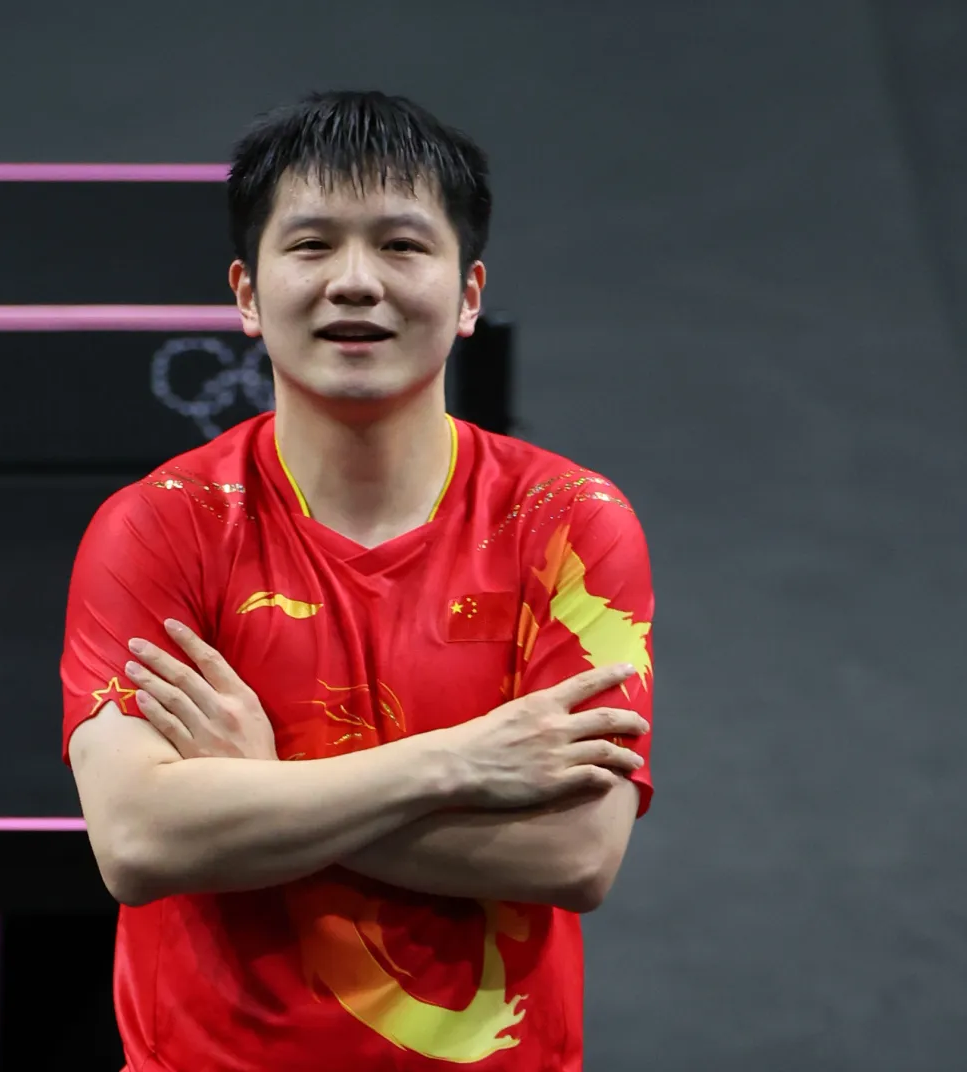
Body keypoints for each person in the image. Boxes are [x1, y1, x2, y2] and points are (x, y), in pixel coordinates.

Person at [60, 90, 656, 1072]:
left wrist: (254, 795)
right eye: (310, 245)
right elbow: (139, 839)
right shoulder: (161, 528)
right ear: (246, 295)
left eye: (398, 245)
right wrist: (461, 765)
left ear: (467, 295)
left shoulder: (569, 526)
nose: (353, 282)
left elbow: (572, 856)